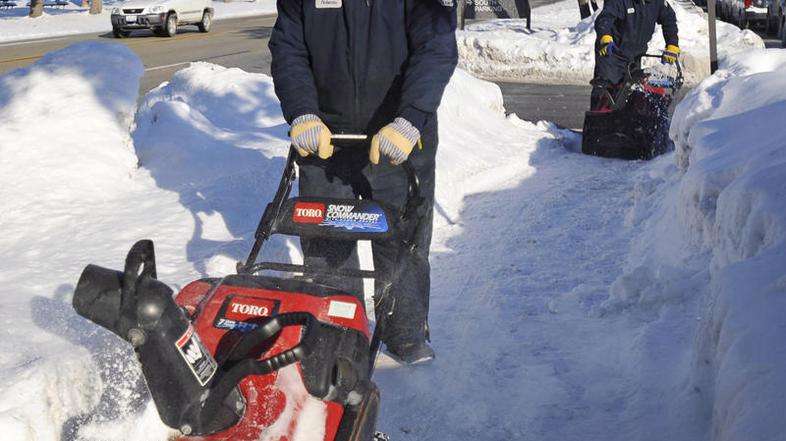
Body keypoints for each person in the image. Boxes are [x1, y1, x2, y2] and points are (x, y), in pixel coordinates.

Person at [268, 0, 458, 364]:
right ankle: (341, 335)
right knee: (327, 241)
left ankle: (405, 335)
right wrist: (303, 113)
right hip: (325, 138)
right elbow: (288, 47)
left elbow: (435, 47)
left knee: (403, 238)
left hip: (397, 138)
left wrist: (409, 119)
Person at [591, 0, 679, 110]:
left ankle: (625, 124)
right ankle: (597, 122)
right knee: (607, 90)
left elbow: (669, 19)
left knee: (631, 92)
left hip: (635, 55)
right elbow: (604, 19)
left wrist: (672, 44)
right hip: (612, 52)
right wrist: (605, 36)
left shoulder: (657, 2)